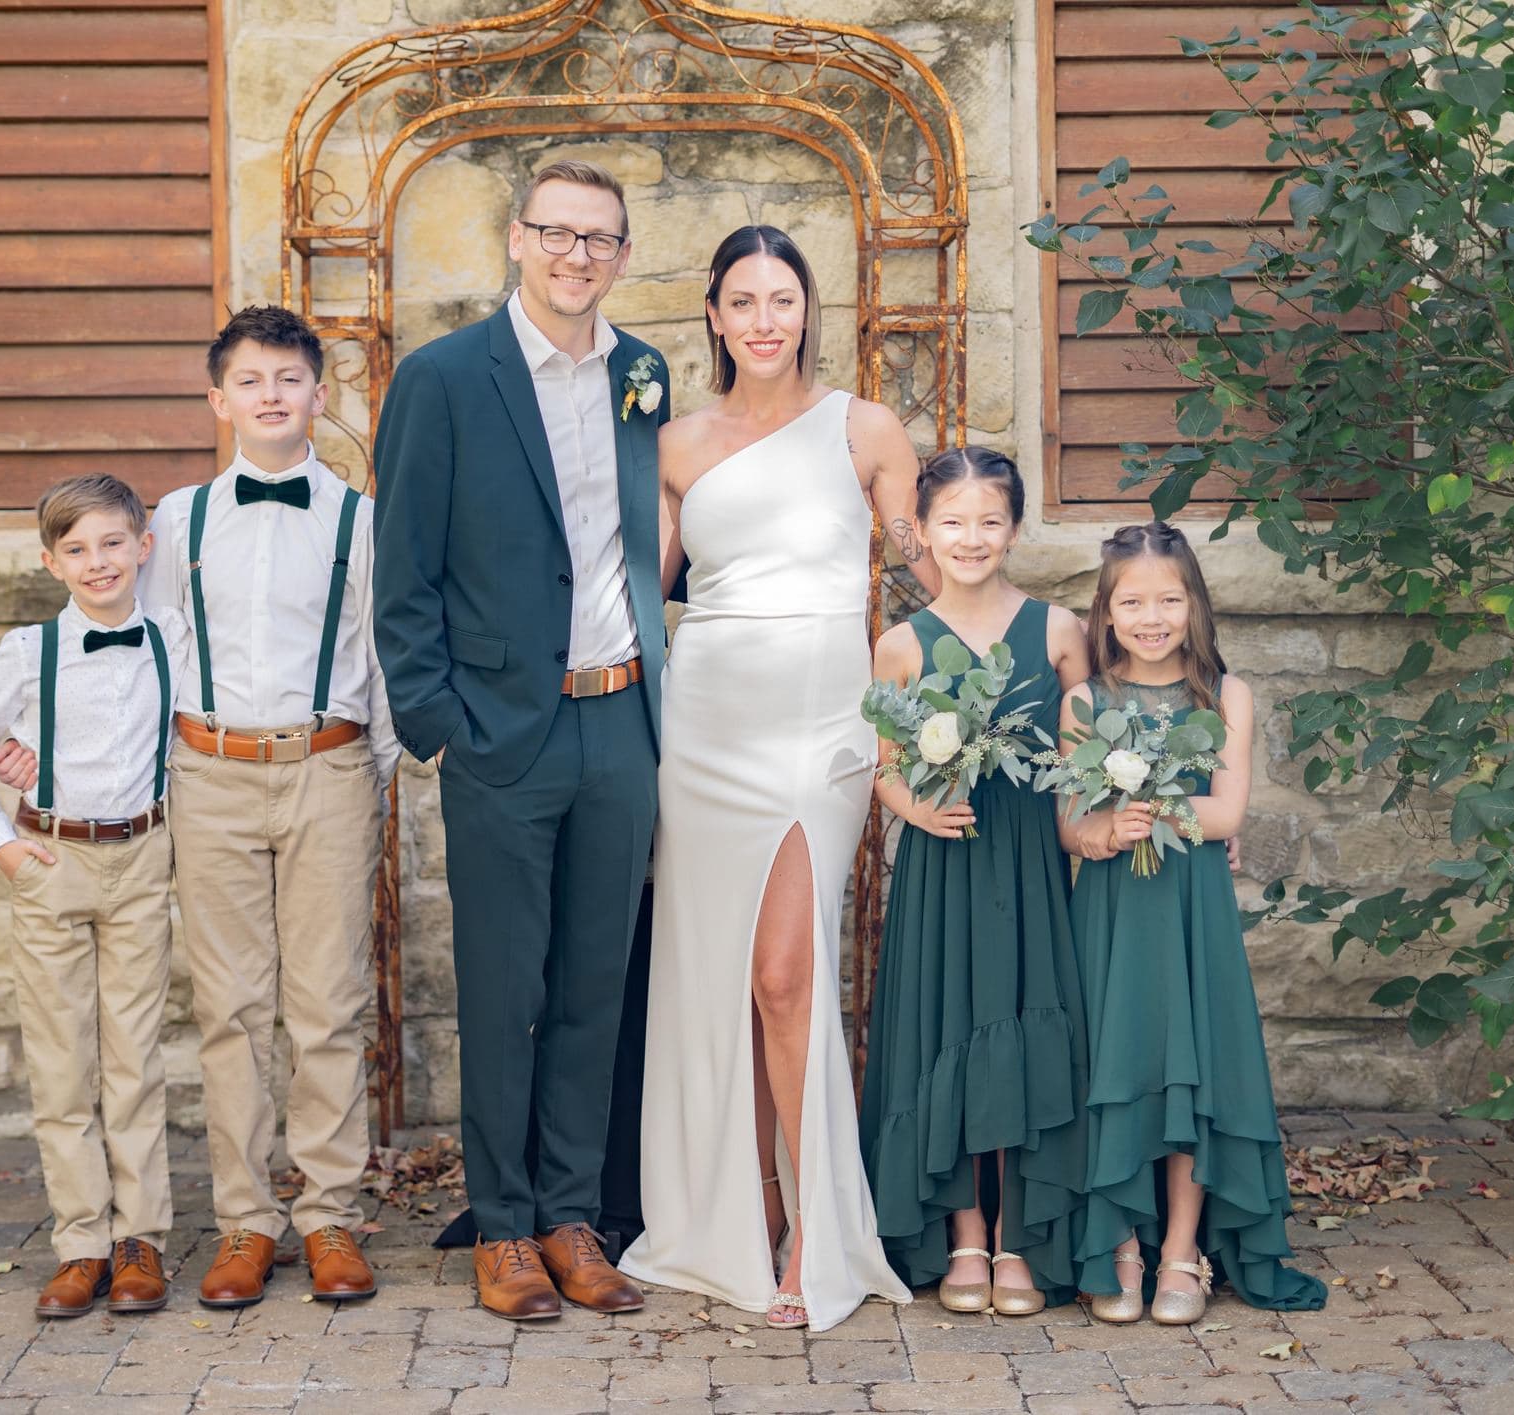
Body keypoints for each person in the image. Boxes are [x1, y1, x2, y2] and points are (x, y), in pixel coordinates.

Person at [3, 309, 401, 1307]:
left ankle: (329, 1213)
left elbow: (384, 656)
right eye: (251, 380)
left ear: (319, 393)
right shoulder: (171, 520)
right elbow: (115, 642)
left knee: (327, 1000)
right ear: (217, 399)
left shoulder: (362, 519)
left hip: (327, 763)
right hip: (209, 772)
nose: (272, 395)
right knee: (228, 1007)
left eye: (291, 378)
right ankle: (244, 1218)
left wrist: (378, 776)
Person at [619, 225, 936, 1331]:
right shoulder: (673, 443)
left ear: (809, 311)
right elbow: (635, 591)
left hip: (817, 720)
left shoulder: (864, 427)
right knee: (715, 976)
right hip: (703, 721)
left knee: (783, 975)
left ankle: (814, 1226)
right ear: (712, 315)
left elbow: (921, 569)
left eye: (783, 298)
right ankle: (739, 1214)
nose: (764, 318)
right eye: (743, 300)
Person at [372, 160, 670, 1321]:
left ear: (622, 254)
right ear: (515, 240)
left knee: (595, 982)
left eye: (597, 238)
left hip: (620, 721)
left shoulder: (640, 373)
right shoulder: (443, 379)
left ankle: (569, 1213)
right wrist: (440, 724)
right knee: (505, 985)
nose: (575, 254)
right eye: (555, 232)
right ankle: (500, 1224)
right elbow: (403, 577)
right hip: (504, 729)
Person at [1059, 522, 1327, 1324]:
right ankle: (1119, 1242)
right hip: (1110, 909)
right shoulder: (1085, 701)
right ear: (1105, 613)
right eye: (1132, 601)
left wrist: (1158, 805)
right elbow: (1072, 821)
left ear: (1194, 604)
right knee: (1118, 1068)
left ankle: (1183, 1247)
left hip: (1189, 911)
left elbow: (1228, 809)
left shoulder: (1225, 694)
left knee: (1189, 1073)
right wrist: (1106, 829)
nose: (1151, 617)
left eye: (1169, 599)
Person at [0, 474, 185, 1320]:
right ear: (52, 562)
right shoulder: (26, 651)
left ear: (143, 547)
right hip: (52, 859)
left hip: (143, 856)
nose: (98, 561)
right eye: (76, 549)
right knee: (60, 1060)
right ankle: (82, 1242)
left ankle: (140, 1236)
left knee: (135, 1057)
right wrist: (4, 848)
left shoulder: (177, 639)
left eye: (113, 542)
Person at [857, 448, 1092, 1317]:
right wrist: (913, 810)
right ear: (922, 531)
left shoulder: (1058, 630)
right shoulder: (900, 644)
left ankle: (1020, 1234)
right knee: (947, 1028)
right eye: (952, 521)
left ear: (1016, 529)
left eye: (989, 520)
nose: (971, 537)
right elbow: (881, 766)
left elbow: (1084, 761)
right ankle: (961, 1231)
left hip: (1030, 869)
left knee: (1028, 1027)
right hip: (945, 866)